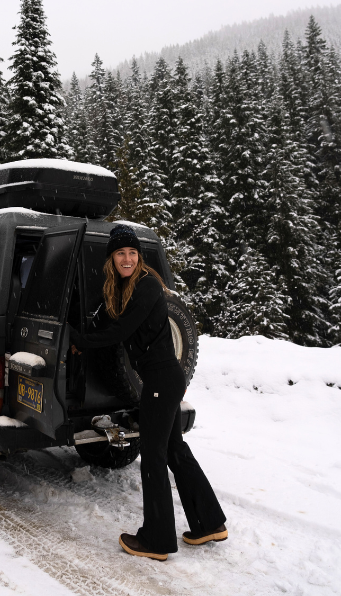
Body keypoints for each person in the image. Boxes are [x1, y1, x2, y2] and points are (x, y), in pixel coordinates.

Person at [70, 225, 227, 562]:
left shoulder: (147, 284)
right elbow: (106, 319)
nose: (127, 258)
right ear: (112, 258)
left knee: (154, 457)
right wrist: (81, 329)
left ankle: (156, 539)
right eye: (120, 253)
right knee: (174, 451)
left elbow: (120, 330)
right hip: (162, 381)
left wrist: (81, 341)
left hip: (161, 382)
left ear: (139, 256)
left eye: (132, 253)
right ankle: (209, 522)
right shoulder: (124, 288)